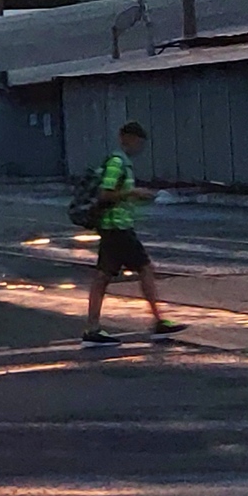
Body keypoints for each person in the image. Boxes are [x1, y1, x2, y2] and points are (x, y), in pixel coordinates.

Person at [84, 120, 182, 343]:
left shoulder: (121, 162)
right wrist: (133, 192)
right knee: (144, 268)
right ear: (125, 138)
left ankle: (92, 329)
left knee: (104, 277)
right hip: (117, 227)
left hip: (115, 227)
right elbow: (104, 194)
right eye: (137, 141)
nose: (139, 146)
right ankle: (157, 322)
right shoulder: (117, 163)